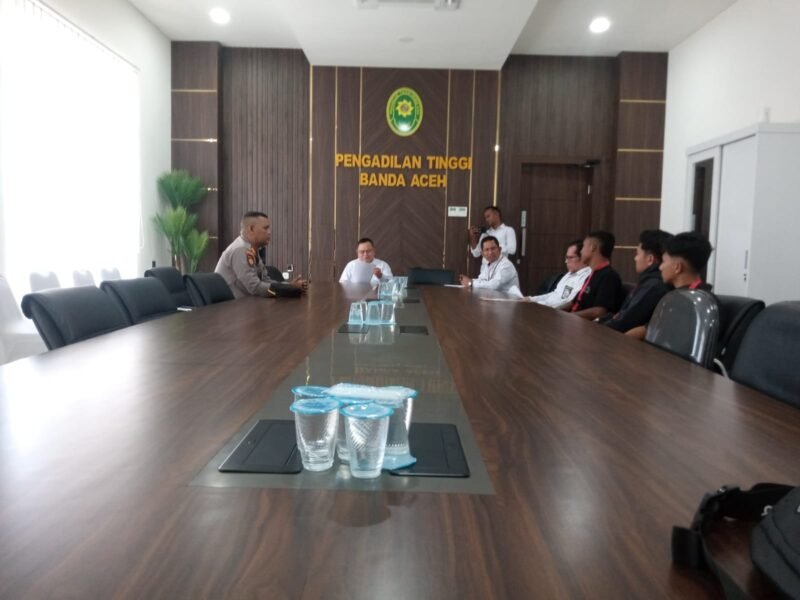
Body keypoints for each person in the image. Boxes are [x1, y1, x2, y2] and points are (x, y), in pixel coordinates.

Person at [626, 231, 713, 339]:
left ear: (677, 267)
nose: (660, 267)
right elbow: (651, 328)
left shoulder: (696, 303)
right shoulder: (679, 295)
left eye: (663, 262)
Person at [215, 211, 307, 298]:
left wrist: (289, 286)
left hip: (246, 306)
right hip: (231, 310)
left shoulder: (251, 248)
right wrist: (290, 289)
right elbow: (255, 287)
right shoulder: (240, 249)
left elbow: (264, 280)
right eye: (265, 228)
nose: (269, 232)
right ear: (251, 229)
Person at [603, 229, 672, 333]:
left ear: (650, 259)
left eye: (637, 254)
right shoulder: (649, 281)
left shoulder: (653, 286)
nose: (635, 258)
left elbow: (625, 322)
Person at [569, 230, 622, 320]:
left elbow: (599, 311)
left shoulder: (609, 276)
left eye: (583, 247)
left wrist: (568, 317)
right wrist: (556, 311)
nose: (581, 251)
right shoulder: (593, 274)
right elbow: (574, 302)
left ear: (592, 248)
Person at [527, 240, 591, 308]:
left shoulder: (587, 277)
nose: (566, 261)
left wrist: (538, 304)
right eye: (566, 257)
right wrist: (531, 299)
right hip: (549, 309)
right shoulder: (569, 274)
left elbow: (568, 302)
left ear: (582, 257)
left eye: (570, 258)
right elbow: (555, 294)